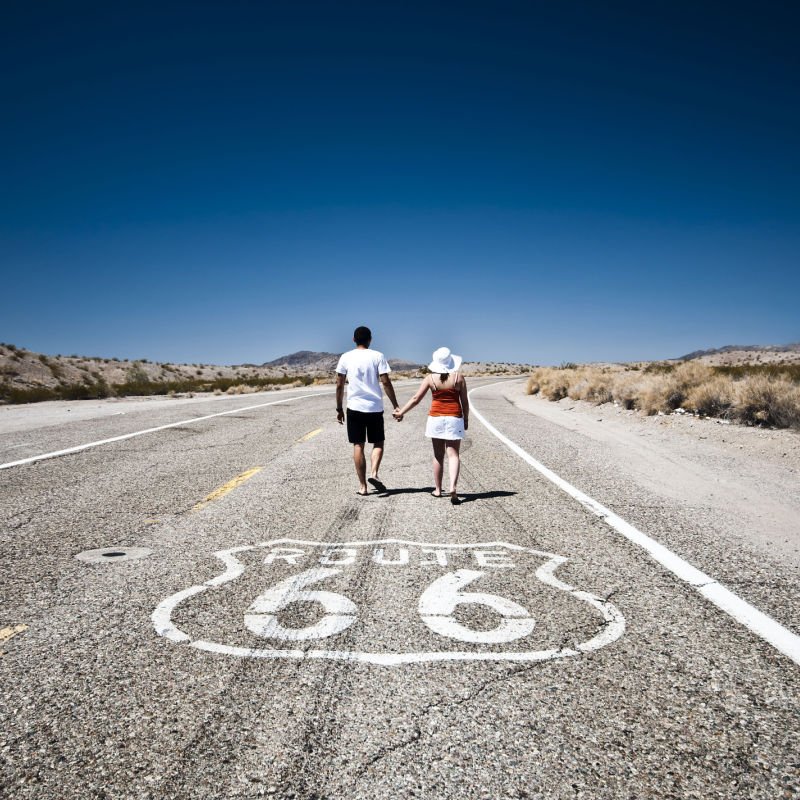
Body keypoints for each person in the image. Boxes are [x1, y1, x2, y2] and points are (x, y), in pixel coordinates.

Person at [393, 346, 468, 504]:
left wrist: (401, 412)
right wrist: (465, 419)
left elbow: (416, 399)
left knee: (438, 455)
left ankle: (438, 490)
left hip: (436, 418)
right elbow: (464, 402)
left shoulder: (430, 379)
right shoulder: (458, 378)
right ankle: (453, 487)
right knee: (453, 454)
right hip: (454, 417)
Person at [336, 326, 400, 496]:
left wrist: (339, 408)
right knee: (378, 442)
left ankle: (363, 487)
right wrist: (395, 405)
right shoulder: (377, 356)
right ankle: (374, 473)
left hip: (354, 408)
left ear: (353, 339)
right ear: (370, 339)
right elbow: (386, 382)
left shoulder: (345, 357)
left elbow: (339, 384)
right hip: (374, 408)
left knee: (358, 445)